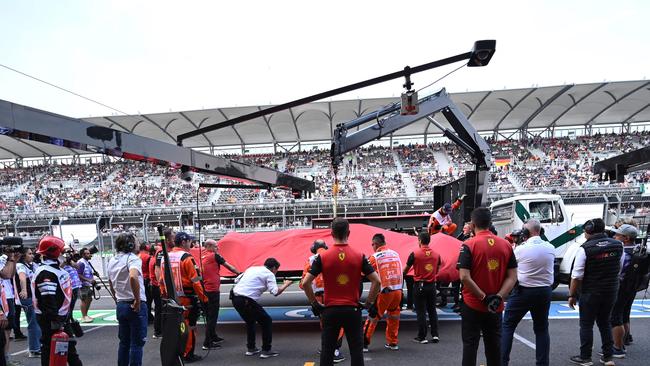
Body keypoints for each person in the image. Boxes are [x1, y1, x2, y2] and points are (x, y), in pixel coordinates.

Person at [302, 218, 381, 366]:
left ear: (331, 234)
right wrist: (369, 303)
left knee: (327, 351)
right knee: (356, 352)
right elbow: (376, 281)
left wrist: (314, 303)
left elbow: (306, 282)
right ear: (348, 233)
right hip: (353, 309)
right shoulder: (359, 255)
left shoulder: (322, 257)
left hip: (330, 310)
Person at [457, 207, 518, 366]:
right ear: (490, 222)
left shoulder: (468, 245)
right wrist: (498, 296)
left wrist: (483, 297)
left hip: (473, 304)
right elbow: (512, 277)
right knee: (494, 347)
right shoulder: (506, 245)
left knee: (470, 345)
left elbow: (464, 276)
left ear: (472, 224)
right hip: (495, 306)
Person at [568, 218, 624, 366]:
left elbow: (577, 276)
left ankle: (585, 357)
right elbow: (619, 267)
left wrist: (572, 295)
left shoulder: (585, 248)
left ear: (589, 229)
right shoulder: (618, 245)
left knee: (586, 325)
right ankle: (608, 357)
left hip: (591, 291)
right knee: (605, 322)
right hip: (611, 290)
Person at [501, 219, 555, 366]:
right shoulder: (550, 247)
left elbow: (509, 267)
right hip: (544, 291)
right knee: (542, 328)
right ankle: (542, 363)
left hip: (524, 291)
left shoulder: (520, 249)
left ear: (525, 232)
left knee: (508, 325)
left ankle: (502, 361)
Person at [159, 231, 208, 363]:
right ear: (184, 242)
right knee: (190, 326)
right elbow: (195, 280)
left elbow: (161, 280)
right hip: (188, 298)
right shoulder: (187, 257)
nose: (191, 244)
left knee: (177, 326)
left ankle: (179, 351)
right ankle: (188, 354)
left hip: (171, 299)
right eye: (189, 241)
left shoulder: (165, 257)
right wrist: (204, 298)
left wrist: (164, 294)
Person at [33, 235, 82, 366]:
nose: (64, 255)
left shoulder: (54, 270)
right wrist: (56, 321)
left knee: (62, 351)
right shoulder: (46, 273)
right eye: (62, 251)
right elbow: (48, 300)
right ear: (54, 252)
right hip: (53, 320)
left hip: (59, 318)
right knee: (53, 351)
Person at [231, 257, 292, 358]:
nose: (276, 272)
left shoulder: (252, 268)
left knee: (250, 321)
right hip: (246, 299)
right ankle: (266, 350)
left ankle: (251, 348)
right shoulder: (270, 274)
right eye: (276, 270)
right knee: (266, 321)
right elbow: (275, 292)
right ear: (273, 268)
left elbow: (237, 279)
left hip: (234, 297)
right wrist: (286, 284)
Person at [300, 239, 346, 363]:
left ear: (313, 248)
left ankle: (327, 347)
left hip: (318, 297)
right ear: (325, 247)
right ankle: (335, 350)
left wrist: (313, 301)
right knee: (339, 323)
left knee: (325, 323)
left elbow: (303, 284)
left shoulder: (310, 260)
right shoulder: (335, 256)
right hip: (334, 296)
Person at [107, 233, 147, 366]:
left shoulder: (112, 260)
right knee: (137, 343)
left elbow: (110, 283)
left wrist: (116, 298)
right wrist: (137, 299)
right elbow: (133, 277)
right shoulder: (133, 259)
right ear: (130, 245)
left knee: (124, 342)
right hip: (133, 304)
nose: (138, 244)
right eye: (136, 241)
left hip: (121, 303)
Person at [363, 233, 403, 351]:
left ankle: (364, 343)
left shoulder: (375, 257)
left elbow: (365, 273)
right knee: (394, 317)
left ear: (376, 244)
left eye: (372, 244)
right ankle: (393, 342)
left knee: (373, 317)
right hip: (398, 291)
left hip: (384, 292)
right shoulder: (396, 254)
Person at [199, 239, 240, 350]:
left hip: (205, 289)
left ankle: (213, 336)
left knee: (209, 315)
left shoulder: (202, 256)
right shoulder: (214, 256)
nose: (218, 248)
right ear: (209, 246)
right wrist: (240, 274)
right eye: (216, 246)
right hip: (212, 290)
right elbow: (229, 267)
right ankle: (207, 343)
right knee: (212, 316)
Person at [402, 231, 441, 344]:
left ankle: (422, 336)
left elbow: (405, 270)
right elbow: (437, 270)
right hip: (432, 285)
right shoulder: (437, 254)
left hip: (419, 285)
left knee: (421, 311)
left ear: (419, 240)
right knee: (432, 310)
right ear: (429, 241)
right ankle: (435, 335)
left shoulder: (414, 253)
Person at [609, 224, 639, 358]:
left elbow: (618, 272)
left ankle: (618, 347)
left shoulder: (623, 252)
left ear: (626, 238)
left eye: (618, 235)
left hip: (621, 287)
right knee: (625, 314)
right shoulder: (639, 250)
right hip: (633, 287)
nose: (615, 237)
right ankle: (625, 339)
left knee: (615, 317)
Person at [16, 247, 42, 358]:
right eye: (29, 254)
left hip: (34, 297)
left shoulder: (32, 265)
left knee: (38, 321)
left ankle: (38, 346)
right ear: (23, 255)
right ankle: (34, 349)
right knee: (33, 322)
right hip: (27, 297)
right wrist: (24, 290)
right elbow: (22, 278)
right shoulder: (20, 265)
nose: (32, 255)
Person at [0, 248, 19, 363]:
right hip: (3, 300)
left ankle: (6, 358)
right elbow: (6, 274)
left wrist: (14, 260)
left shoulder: (6, 259)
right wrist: (11, 258)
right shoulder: (2, 258)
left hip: (6, 298)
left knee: (6, 330)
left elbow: (10, 275)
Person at [62, 246, 83, 323]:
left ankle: (70, 317)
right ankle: (67, 320)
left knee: (72, 304)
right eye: (67, 252)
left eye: (69, 252)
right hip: (68, 286)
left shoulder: (71, 261)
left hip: (75, 285)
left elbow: (78, 266)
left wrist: (70, 261)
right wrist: (64, 262)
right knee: (68, 305)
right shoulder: (60, 259)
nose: (68, 253)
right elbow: (59, 268)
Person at [76, 248, 95, 323]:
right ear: (83, 255)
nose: (90, 255)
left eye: (89, 253)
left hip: (87, 284)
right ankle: (84, 316)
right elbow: (79, 274)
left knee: (89, 299)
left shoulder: (87, 262)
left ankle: (86, 315)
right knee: (84, 300)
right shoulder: (81, 263)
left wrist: (93, 274)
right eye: (87, 253)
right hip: (83, 285)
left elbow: (86, 272)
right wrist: (89, 280)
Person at [148, 244, 162, 339]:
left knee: (158, 309)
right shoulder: (154, 260)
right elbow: (158, 272)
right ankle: (157, 331)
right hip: (156, 286)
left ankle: (158, 331)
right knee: (159, 309)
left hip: (153, 285)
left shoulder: (152, 259)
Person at [137, 243, 153, 323]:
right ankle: (148, 316)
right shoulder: (147, 257)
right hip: (146, 279)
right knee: (148, 300)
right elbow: (150, 269)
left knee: (144, 299)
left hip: (140, 279)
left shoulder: (138, 256)